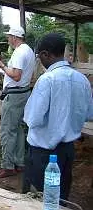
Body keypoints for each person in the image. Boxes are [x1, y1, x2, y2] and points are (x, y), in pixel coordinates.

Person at [23, 33, 93, 201]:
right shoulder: (82, 79)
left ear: (46, 54)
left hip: (43, 153)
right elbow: (89, 114)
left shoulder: (47, 79)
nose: (40, 60)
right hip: (67, 150)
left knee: (36, 199)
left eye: (40, 56)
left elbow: (32, 118)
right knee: (59, 197)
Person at [0, 25, 36, 178]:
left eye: (9, 36)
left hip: (15, 95)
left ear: (15, 37)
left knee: (7, 131)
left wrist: (2, 66)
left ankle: (7, 166)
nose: (8, 38)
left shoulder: (19, 52)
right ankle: (20, 162)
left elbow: (16, 75)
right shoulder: (28, 50)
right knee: (18, 129)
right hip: (23, 92)